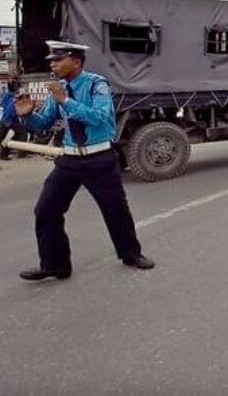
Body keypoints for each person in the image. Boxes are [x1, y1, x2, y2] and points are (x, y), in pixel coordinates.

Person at [14, 41, 154, 281]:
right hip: (69, 159)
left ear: (76, 61)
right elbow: (44, 124)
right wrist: (27, 115)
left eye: (58, 60)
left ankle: (131, 254)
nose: (53, 65)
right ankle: (54, 265)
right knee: (46, 210)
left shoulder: (96, 84)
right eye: (51, 61)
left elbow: (100, 118)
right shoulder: (58, 89)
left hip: (99, 158)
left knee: (115, 210)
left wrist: (66, 101)